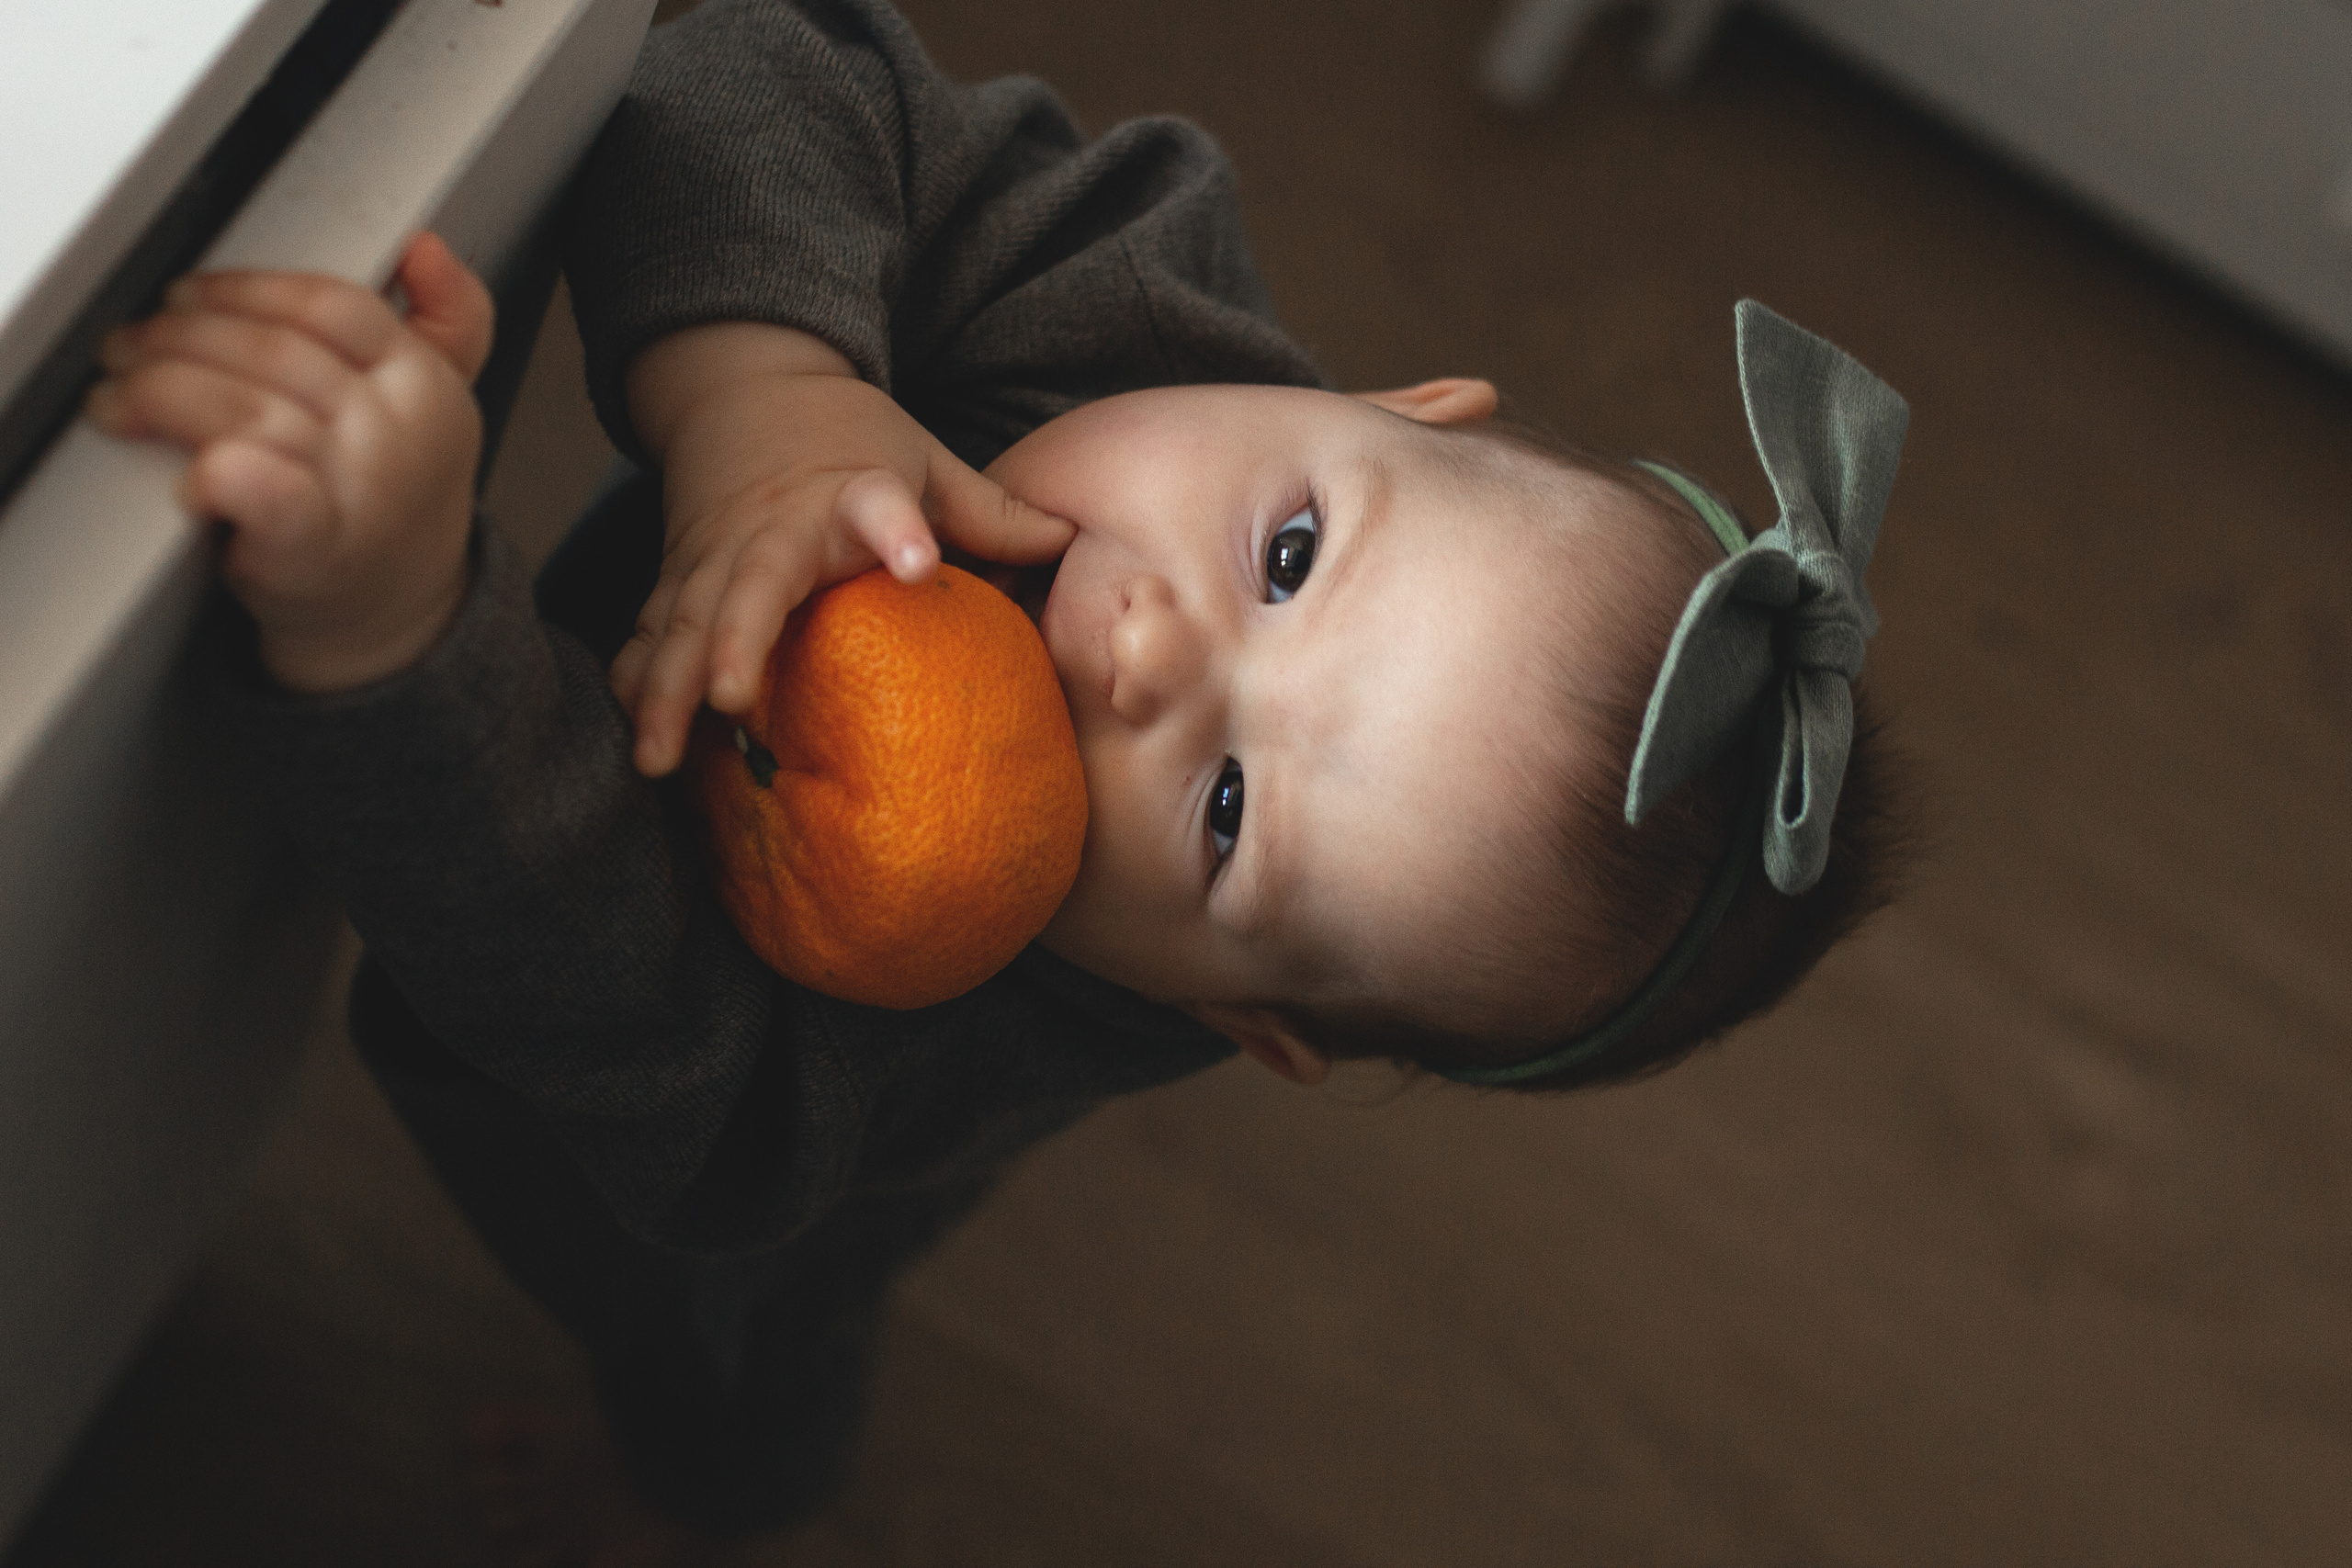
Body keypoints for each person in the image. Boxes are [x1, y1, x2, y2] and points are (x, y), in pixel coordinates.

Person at [83, 0, 1912, 1559]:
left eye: (1223, 812)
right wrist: (764, 389)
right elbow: (768, 56)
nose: (1141, 649)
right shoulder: (1130, 280)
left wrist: (403, 631)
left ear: (1227, 1010)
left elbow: (619, 1030)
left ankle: (716, 1496)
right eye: (1284, 557)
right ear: (1388, 406)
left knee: (733, 1339)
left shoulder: (957, 1015)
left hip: (667, 1208)